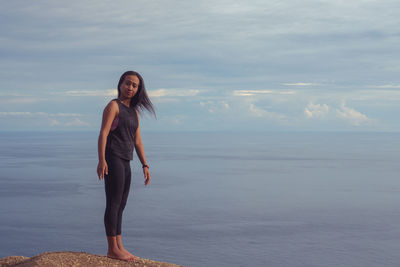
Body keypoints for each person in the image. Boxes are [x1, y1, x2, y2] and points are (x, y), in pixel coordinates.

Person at [97, 71, 155, 262]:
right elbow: (103, 134)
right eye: (127, 83)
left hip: (126, 160)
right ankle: (112, 248)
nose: (130, 88)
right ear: (120, 84)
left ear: (138, 89)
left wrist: (145, 165)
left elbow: (138, 141)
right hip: (113, 158)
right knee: (113, 203)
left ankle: (119, 245)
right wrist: (102, 160)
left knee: (121, 205)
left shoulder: (134, 112)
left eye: (134, 85)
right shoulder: (113, 106)